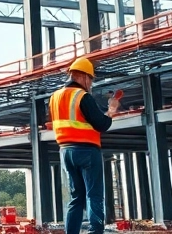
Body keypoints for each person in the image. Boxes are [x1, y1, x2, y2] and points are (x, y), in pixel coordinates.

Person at [50, 57, 120, 234]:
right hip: (86, 151)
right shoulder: (82, 96)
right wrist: (111, 110)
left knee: (76, 198)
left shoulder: (54, 97)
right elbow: (102, 124)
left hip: (65, 151)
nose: (91, 84)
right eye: (91, 79)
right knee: (94, 195)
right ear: (83, 76)